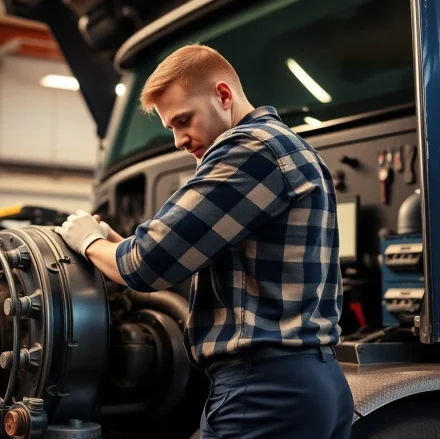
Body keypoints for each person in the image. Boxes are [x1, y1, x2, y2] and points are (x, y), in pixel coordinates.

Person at [55, 44, 354, 439]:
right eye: (171, 128)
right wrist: (120, 244)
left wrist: (87, 239)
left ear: (224, 95)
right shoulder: (288, 147)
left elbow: (146, 265)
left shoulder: (250, 149)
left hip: (264, 392)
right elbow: (174, 254)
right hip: (312, 381)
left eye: (184, 120)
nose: (179, 139)